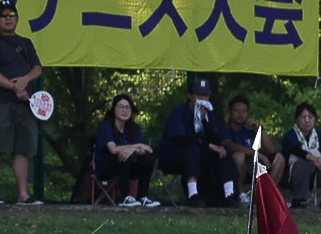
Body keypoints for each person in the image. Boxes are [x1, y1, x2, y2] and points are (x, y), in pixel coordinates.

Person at [0, 0, 43, 205]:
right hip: (0, 102)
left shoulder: (26, 43)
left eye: (11, 15)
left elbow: (37, 68)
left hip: (25, 104)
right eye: (3, 15)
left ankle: (23, 194)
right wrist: (15, 87)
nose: (8, 19)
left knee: (23, 147)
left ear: (17, 18)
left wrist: (25, 80)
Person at [157, 76, 228, 205]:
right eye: (199, 95)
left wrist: (204, 121)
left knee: (224, 151)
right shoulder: (179, 113)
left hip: (200, 156)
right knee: (192, 150)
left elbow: (216, 139)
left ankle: (230, 194)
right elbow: (183, 140)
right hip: (173, 156)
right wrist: (210, 146)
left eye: (206, 95)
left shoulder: (209, 114)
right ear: (190, 96)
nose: (203, 99)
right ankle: (192, 194)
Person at [91, 94, 155, 206]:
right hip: (106, 168)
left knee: (148, 158)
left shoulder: (135, 128)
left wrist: (134, 149)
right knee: (124, 155)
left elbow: (146, 150)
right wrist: (136, 147)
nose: (124, 110)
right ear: (114, 109)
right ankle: (125, 196)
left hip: (129, 168)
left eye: (127, 107)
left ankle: (142, 197)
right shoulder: (106, 126)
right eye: (121, 106)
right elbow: (113, 149)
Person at [276, 103, 321, 209]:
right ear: (297, 120)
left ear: (314, 119)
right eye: (303, 117)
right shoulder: (291, 134)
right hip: (292, 176)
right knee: (304, 163)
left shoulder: (318, 135)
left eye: (310, 117)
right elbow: (295, 150)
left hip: (315, 175)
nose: (307, 120)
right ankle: (300, 199)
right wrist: (313, 158)